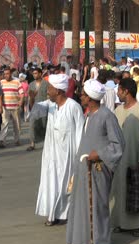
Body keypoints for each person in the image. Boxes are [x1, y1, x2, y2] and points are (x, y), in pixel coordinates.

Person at [66, 79, 125, 244]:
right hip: (83, 169)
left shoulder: (107, 115)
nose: (80, 97)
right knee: (81, 204)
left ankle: (103, 242)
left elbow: (118, 144)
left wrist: (98, 154)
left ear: (90, 98)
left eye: (83, 95)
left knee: (98, 206)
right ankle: (84, 240)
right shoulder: (89, 115)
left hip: (98, 168)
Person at [33, 74, 84, 226]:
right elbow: (35, 112)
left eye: (50, 88)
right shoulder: (50, 105)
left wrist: (80, 155)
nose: (47, 90)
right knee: (50, 182)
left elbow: (80, 132)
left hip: (68, 155)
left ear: (59, 91)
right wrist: (30, 99)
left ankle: (66, 214)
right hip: (51, 153)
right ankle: (51, 214)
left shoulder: (74, 107)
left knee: (65, 184)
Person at [111, 78, 139, 237]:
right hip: (118, 159)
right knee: (118, 190)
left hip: (135, 158)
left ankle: (136, 225)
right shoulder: (117, 111)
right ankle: (119, 222)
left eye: (119, 90)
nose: (117, 93)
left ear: (126, 91)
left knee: (135, 190)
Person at [0, 68, 24, 148]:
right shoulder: (1, 83)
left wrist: (21, 101)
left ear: (11, 74)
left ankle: (17, 140)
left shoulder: (17, 82)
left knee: (16, 124)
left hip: (15, 107)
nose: (6, 75)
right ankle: (2, 140)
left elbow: (21, 93)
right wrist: (0, 106)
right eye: (4, 74)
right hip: (5, 107)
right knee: (4, 124)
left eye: (7, 73)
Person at [27, 68, 50, 151]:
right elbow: (30, 97)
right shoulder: (31, 84)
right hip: (34, 107)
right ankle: (32, 143)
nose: (34, 75)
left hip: (44, 107)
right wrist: (30, 108)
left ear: (40, 74)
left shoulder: (46, 84)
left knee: (44, 125)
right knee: (32, 125)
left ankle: (46, 143)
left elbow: (49, 96)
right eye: (33, 73)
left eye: (36, 73)